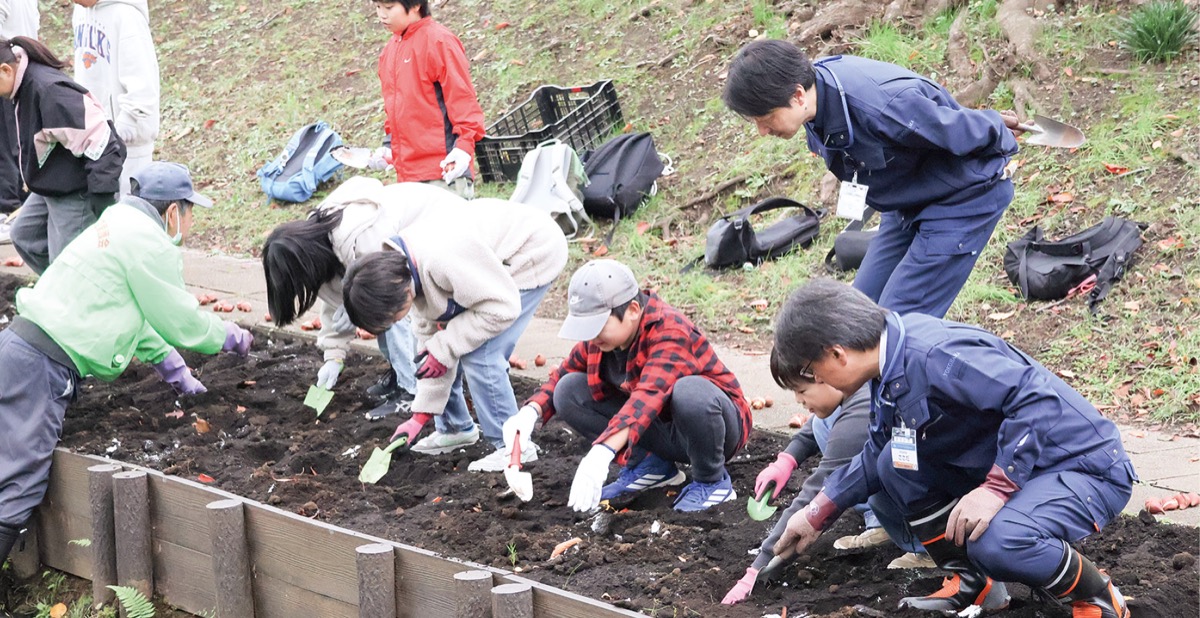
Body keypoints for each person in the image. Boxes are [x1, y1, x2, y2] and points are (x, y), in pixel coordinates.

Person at [768, 278, 1134, 618]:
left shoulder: (936, 356)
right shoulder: (889, 365)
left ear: (836, 354)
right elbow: (878, 450)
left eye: (811, 373)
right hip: (1026, 465)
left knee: (998, 541)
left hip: (1083, 466)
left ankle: (1098, 597)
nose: (816, 381)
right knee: (895, 462)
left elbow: (1035, 398)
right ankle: (975, 584)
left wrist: (996, 488)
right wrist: (816, 513)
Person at [0, 162, 255, 566]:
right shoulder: (150, 243)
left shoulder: (114, 225)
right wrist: (227, 334)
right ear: (173, 212)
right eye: (190, 212)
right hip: (44, 369)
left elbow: (126, 309)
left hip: (16, 346)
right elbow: (180, 319)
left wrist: (171, 366)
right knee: (19, 486)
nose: (191, 224)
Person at [723, 40, 1021, 319]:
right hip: (907, 201)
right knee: (857, 313)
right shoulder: (817, 95)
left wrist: (996, 127)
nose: (762, 131)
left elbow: (955, 127)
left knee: (897, 323)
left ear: (798, 95)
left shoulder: (882, 107)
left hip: (963, 200)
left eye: (766, 120)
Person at [501, 260, 754, 513]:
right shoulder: (599, 341)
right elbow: (563, 374)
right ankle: (651, 466)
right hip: (663, 429)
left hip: (715, 430)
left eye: (598, 326)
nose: (591, 336)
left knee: (691, 393)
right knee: (568, 391)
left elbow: (648, 397)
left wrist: (602, 452)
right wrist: (529, 413)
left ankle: (712, 482)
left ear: (633, 310)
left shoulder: (670, 331)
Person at [340, 199, 567, 470]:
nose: (394, 322)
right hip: (485, 268)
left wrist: (445, 347)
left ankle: (513, 447)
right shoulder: (404, 274)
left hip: (531, 252)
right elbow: (432, 350)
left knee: (481, 354)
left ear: (398, 294)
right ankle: (454, 429)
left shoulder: (441, 259)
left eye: (390, 318)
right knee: (443, 346)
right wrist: (419, 417)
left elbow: (501, 307)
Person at [722, 360, 932, 605]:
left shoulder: (861, 410)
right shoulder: (853, 386)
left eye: (802, 391)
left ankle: (927, 545)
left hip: (933, 489)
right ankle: (883, 523)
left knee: (870, 467)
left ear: (824, 377)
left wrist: (758, 566)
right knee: (823, 423)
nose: (798, 400)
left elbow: (820, 488)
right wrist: (787, 459)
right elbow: (814, 428)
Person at [262, 176, 467, 418]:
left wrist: (354, 309)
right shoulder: (318, 250)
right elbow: (334, 298)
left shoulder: (360, 238)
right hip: (413, 253)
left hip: (445, 228)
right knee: (376, 311)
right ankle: (402, 375)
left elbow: (395, 293)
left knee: (387, 310)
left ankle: (412, 391)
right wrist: (334, 356)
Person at [1, 36, 126, 275]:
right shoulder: (20, 86)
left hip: (78, 189)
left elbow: (104, 139)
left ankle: (75, 288)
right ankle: (62, 287)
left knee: (67, 265)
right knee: (25, 236)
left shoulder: (49, 91)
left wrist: (102, 195)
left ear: (6, 70)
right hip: (51, 182)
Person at [368, 0, 486, 199]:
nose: (382, 15)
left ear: (415, 5)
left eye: (388, 8)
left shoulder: (439, 42)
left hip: (443, 171)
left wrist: (464, 147)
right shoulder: (389, 51)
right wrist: (389, 147)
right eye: (378, 7)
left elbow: (463, 102)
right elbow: (395, 109)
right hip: (407, 176)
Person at [72, 0, 161, 196]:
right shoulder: (80, 12)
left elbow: (143, 86)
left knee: (128, 210)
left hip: (128, 145)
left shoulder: (127, 17)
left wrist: (120, 132)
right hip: (94, 141)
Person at [0, 0, 38, 239]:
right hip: (17, 70)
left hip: (10, 72)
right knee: (15, 141)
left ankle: (10, 208)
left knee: (9, 144)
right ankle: (18, 205)